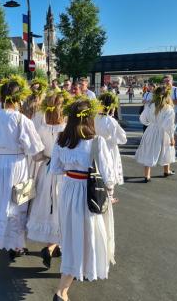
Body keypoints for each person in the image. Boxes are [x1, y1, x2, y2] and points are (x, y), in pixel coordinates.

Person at [50, 99, 115, 301]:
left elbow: (56, 169)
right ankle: (62, 290)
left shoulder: (61, 139)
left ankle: (70, 279)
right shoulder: (96, 141)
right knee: (87, 235)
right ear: (89, 117)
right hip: (89, 191)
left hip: (69, 189)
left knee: (72, 234)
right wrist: (110, 194)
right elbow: (108, 174)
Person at [0, 75, 44, 265]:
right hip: (17, 165)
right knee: (17, 204)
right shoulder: (21, 120)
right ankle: (16, 245)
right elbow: (34, 148)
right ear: (19, 98)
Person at [26, 90, 69, 269]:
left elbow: (36, 155)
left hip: (46, 170)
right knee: (61, 208)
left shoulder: (42, 128)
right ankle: (54, 246)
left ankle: (53, 245)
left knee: (47, 206)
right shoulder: (67, 129)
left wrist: (45, 157)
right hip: (64, 173)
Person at [135, 86, 176, 182]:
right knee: (166, 150)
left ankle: (147, 175)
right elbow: (169, 126)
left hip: (151, 130)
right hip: (163, 132)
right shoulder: (169, 108)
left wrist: (150, 124)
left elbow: (142, 118)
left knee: (149, 151)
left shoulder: (150, 105)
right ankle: (166, 171)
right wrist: (171, 137)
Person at [95, 92, 127, 201]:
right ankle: (109, 195)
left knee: (98, 167)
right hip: (108, 147)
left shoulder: (95, 118)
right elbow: (122, 138)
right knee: (109, 167)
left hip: (95, 146)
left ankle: (97, 190)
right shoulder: (111, 121)